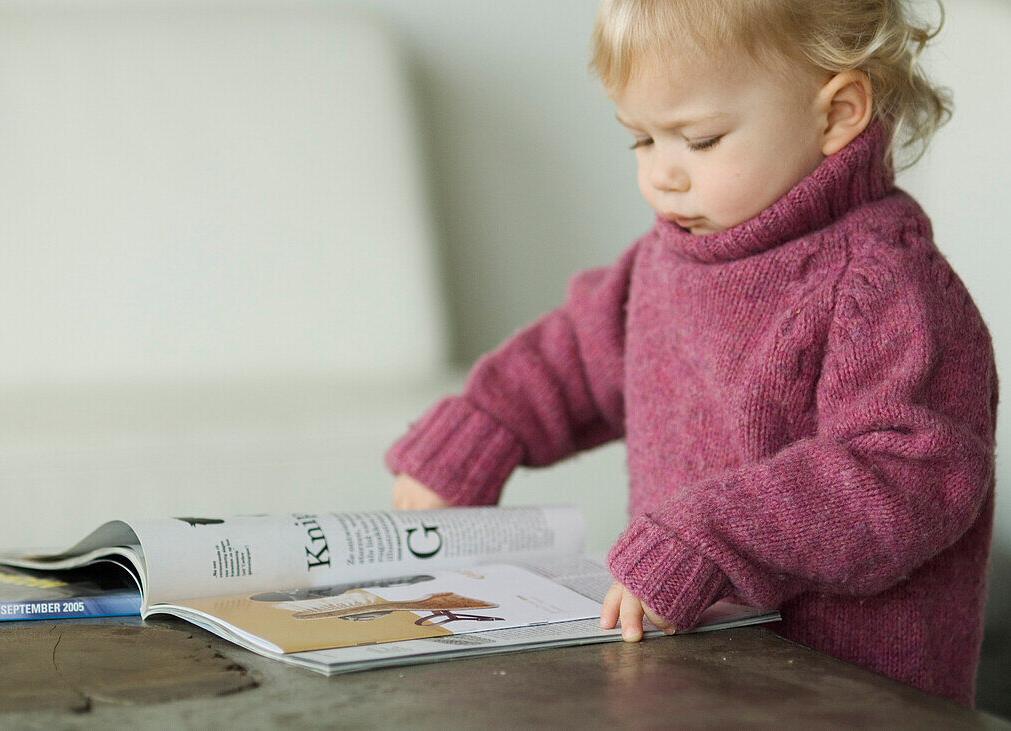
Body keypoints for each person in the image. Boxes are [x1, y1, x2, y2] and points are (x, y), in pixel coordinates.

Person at [388, 0, 996, 707]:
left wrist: (717, 534)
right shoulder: (668, 259)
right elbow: (575, 357)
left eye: (699, 140)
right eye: (641, 141)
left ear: (836, 115)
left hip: (847, 693)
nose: (663, 176)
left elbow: (911, 473)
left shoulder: (886, 284)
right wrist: (485, 425)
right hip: (696, 668)